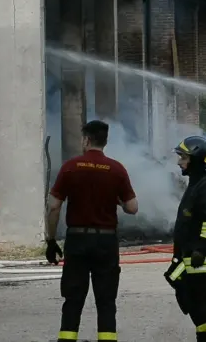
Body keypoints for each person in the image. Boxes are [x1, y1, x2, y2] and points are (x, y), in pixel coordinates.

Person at [44, 120, 139, 342]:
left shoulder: (70, 167)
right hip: (106, 243)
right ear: (105, 141)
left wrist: (50, 240)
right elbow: (133, 208)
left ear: (86, 139)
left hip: (77, 240)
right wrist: (117, 201)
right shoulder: (116, 169)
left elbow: (54, 206)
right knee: (106, 301)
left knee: (73, 299)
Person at [165, 136, 206, 342]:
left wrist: (200, 249)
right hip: (192, 260)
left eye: (183, 157)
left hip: (202, 260)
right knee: (199, 314)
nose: (179, 162)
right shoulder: (198, 183)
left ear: (196, 158)